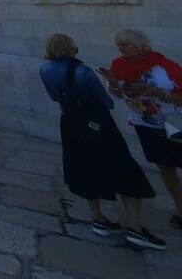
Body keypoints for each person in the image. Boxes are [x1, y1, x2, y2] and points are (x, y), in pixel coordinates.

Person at [40, 33, 165, 250]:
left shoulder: (45, 69)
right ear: (71, 48)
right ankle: (135, 228)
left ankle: (98, 219)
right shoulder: (82, 71)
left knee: (84, 167)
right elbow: (106, 101)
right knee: (126, 168)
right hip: (96, 125)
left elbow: (54, 97)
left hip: (69, 123)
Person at [103, 28, 182, 231]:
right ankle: (179, 206)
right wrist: (113, 84)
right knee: (165, 165)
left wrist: (158, 93)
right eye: (119, 45)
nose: (121, 49)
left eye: (126, 45)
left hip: (173, 121)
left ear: (140, 46)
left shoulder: (165, 66)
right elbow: (118, 94)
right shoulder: (118, 66)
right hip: (145, 122)